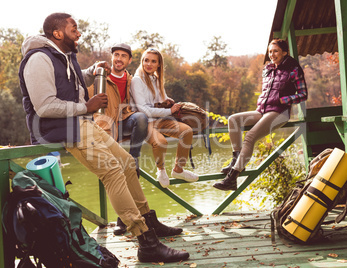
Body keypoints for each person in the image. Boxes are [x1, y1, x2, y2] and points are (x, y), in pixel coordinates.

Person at [18, 12, 189, 263]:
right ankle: (145, 240)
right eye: (73, 28)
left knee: (128, 164)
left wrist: (92, 71)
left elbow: (71, 85)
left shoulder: (64, 56)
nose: (79, 32)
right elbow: (45, 106)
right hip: (62, 130)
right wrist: (86, 107)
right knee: (112, 172)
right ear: (57, 33)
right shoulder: (38, 59)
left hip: (81, 124)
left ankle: (149, 222)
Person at [213, 38, 308, 191]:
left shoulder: (293, 69)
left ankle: (232, 177)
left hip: (280, 112)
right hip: (262, 110)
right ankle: (236, 160)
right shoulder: (268, 69)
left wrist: (283, 100)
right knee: (233, 120)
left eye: (276, 51)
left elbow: (303, 94)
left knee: (250, 137)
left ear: (284, 52)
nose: (272, 54)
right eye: (270, 51)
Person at [92, 43, 149, 236]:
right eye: (116, 55)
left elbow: (141, 105)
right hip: (106, 126)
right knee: (116, 174)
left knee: (141, 119)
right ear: (112, 57)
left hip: (124, 120)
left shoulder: (132, 80)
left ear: (129, 60)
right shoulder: (100, 76)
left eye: (123, 56)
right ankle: (122, 221)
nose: (119, 59)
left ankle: (135, 159)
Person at [130, 48, 199, 188]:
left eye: (153, 61)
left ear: (159, 64)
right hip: (144, 121)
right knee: (161, 142)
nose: (148, 64)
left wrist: (168, 101)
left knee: (187, 131)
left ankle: (178, 170)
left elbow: (160, 98)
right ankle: (161, 170)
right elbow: (143, 109)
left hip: (159, 119)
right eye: (146, 60)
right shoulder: (137, 80)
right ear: (142, 61)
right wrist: (169, 111)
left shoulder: (155, 79)